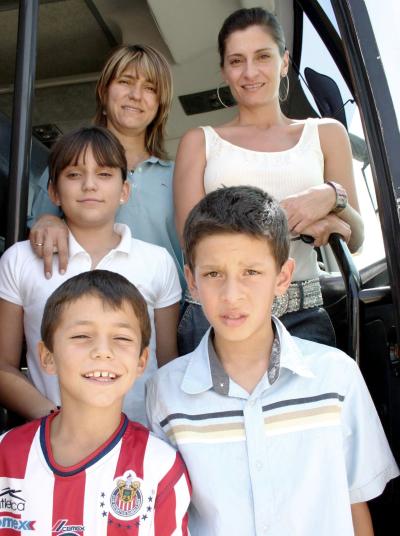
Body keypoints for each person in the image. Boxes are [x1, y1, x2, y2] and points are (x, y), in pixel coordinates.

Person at [146, 186, 398, 536]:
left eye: (251, 272)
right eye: (213, 274)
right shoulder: (166, 393)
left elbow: (355, 504)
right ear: (191, 281)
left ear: (282, 277)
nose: (232, 295)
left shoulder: (336, 377)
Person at [174, 7, 364, 353]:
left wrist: (330, 196)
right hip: (215, 318)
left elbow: (356, 237)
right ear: (224, 71)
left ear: (284, 62)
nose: (250, 73)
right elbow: (191, 240)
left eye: (263, 56)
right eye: (236, 61)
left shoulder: (325, 134)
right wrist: (285, 222)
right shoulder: (199, 142)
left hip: (301, 314)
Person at [0, 126, 181, 424]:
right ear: (54, 191)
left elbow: (167, 365)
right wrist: (56, 421)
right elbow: (4, 366)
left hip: (141, 437)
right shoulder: (19, 260)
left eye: (104, 174)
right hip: (54, 438)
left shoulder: (157, 262)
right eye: (73, 174)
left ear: (124, 191)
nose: (89, 185)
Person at [0, 270, 191, 534]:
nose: (103, 351)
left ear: (141, 361)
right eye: (81, 336)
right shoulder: (5, 455)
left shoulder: (160, 467)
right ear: (47, 357)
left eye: (121, 338)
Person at [29, 44, 185, 288]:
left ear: (160, 104)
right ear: (104, 91)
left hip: (164, 313)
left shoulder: (180, 176)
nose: (136, 94)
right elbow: (37, 237)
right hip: (80, 308)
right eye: (125, 81)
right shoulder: (66, 163)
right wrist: (48, 220)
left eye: (150, 88)